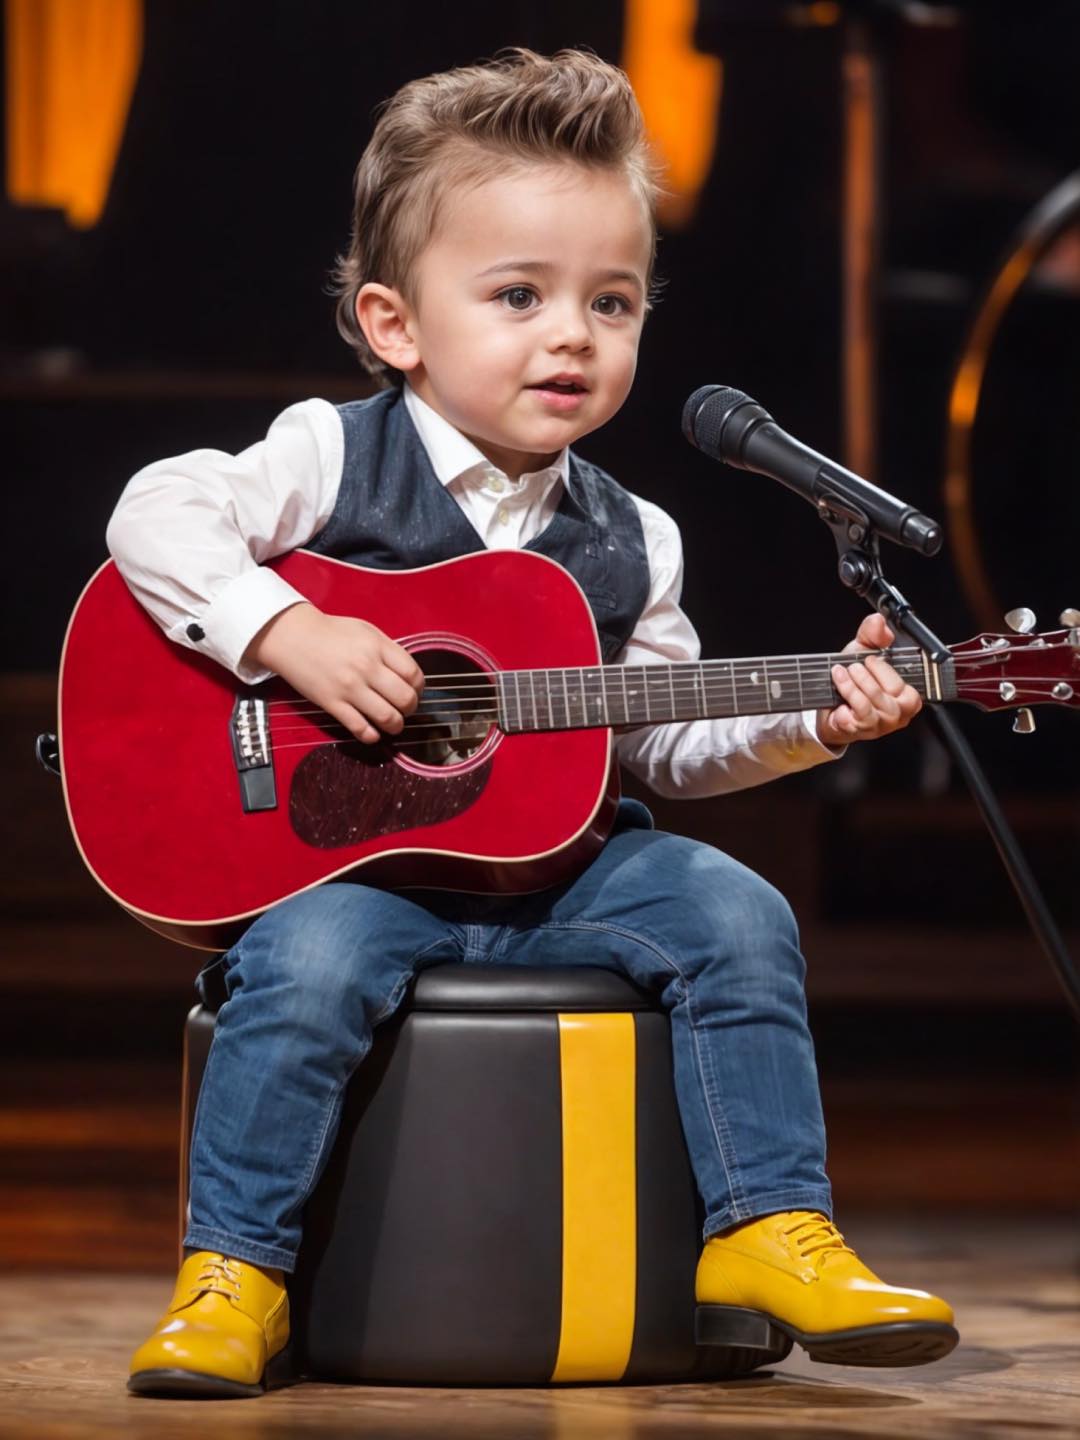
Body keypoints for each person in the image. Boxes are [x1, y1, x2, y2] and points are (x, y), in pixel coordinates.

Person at [108, 48, 956, 1399]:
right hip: (359, 870)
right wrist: (288, 633)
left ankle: (767, 1228)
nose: (572, 335)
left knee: (739, 918)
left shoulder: (636, 533)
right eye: (519, 297)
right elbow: (156, 512)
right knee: (309, 973)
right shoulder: (333, 454)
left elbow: (662, 744)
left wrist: (818, 725)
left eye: (611, 303)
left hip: (569, 871)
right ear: (395, 323)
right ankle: (238, 1273)